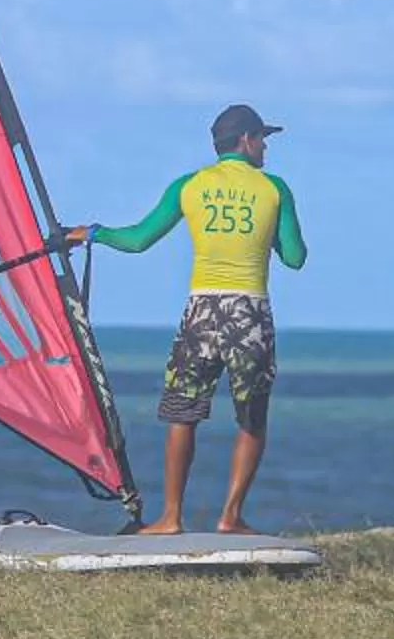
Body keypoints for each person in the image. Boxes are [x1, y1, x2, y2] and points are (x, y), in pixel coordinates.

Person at [66, 103, 304, 536]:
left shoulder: (189, 186)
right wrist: (266, 234)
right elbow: (295, 257)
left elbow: (138, 240)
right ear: (246, 140)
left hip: (201, 311)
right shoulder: (275, 189)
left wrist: (93, 233)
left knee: (183, 414)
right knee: (252, 417)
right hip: (248, 312)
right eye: (262, 139)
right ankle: (230, 516)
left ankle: (170, 517)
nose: (266, 148)